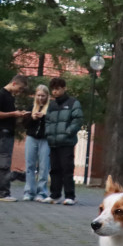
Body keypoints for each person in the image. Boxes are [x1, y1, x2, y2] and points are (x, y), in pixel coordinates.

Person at [44, 77, 84, 205]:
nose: (55, 92)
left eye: (57, 89)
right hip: (53, 141)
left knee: (67, 169)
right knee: (54, 169)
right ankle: (54, 195)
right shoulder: (52, 105)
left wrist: (68, 132)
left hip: (66, 142)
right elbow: (47, 121)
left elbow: (77, 120)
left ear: (64, 88)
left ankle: (70, 196)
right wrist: (48, 133)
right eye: (53, 90)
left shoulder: (73, 103)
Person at [23, 85, 51, 202]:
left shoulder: (51, 108)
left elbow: (53, 123)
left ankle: (42, 192)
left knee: (44, 166)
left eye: (43, 96)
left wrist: (44, 117)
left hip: (45, 139)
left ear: (47, 96)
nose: (40, 98)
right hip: (31, 138)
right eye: (38, 95)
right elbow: (25, 124)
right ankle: (29, 191)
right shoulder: (31, 107)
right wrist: (32, 117)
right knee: (30, 165)